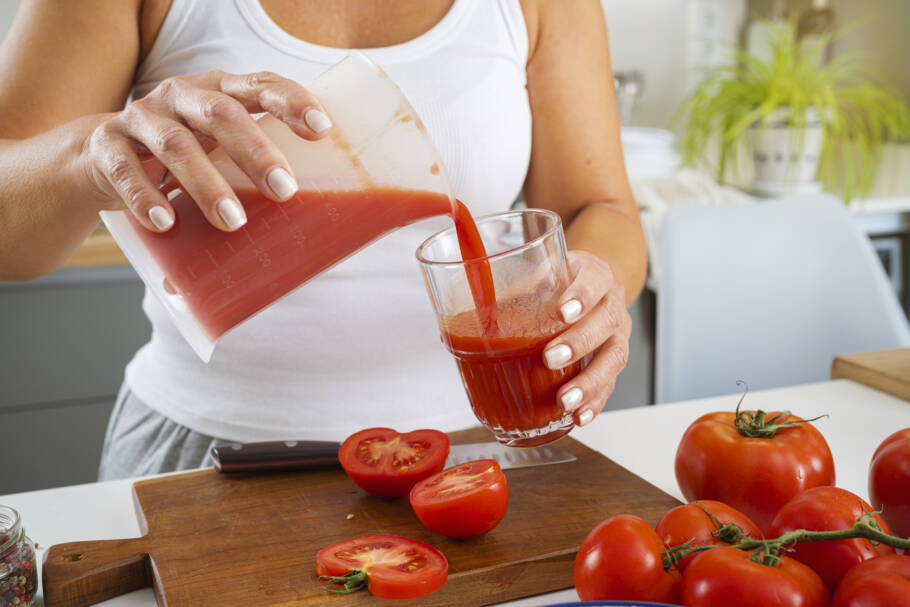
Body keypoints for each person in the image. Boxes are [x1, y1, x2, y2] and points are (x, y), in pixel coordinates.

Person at [0, 0, 646, 479]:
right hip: (205, 457)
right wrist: (93, 155)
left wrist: (594, 287)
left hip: (475, 455)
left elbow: (603, 208)